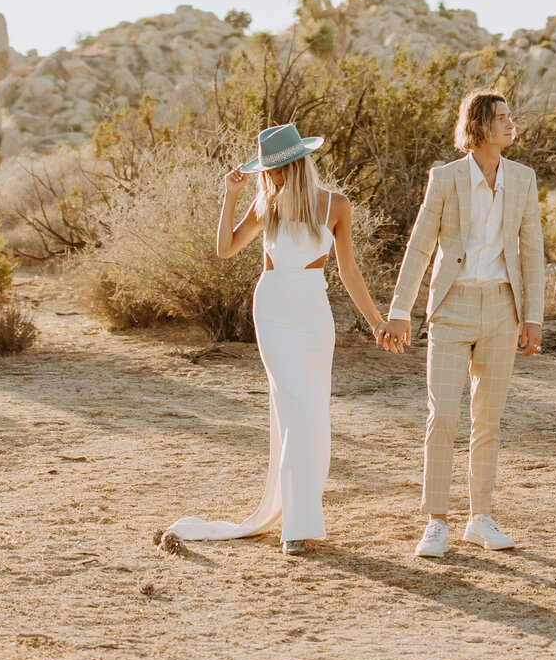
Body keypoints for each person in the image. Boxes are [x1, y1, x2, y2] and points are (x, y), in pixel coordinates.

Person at [161, 122, 392, 554]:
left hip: (313, 311)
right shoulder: (265, 203)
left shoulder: (336, 205)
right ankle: (296, 527)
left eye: (278, 169)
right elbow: (226, 248)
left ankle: (300, 515)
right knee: (295, 409)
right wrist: (230, 197)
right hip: (273, 309)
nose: (271, 177)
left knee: (313, 411)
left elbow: (349, 272)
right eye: (268, 171)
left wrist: (376, 321)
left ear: (297, 164)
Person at [382, 89, 544, 557]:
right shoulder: (446, 178)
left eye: (511, 116)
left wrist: (532, 317)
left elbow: (532, 249)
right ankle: (436, 521)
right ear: (478, 127)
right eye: (501, 117)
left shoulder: (523, 179)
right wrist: (399, 310)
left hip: (502, 310)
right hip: (450, 310)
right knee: (444, 415)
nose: (511, 124)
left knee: (487, 420)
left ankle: (480, 517)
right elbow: (419, 247)